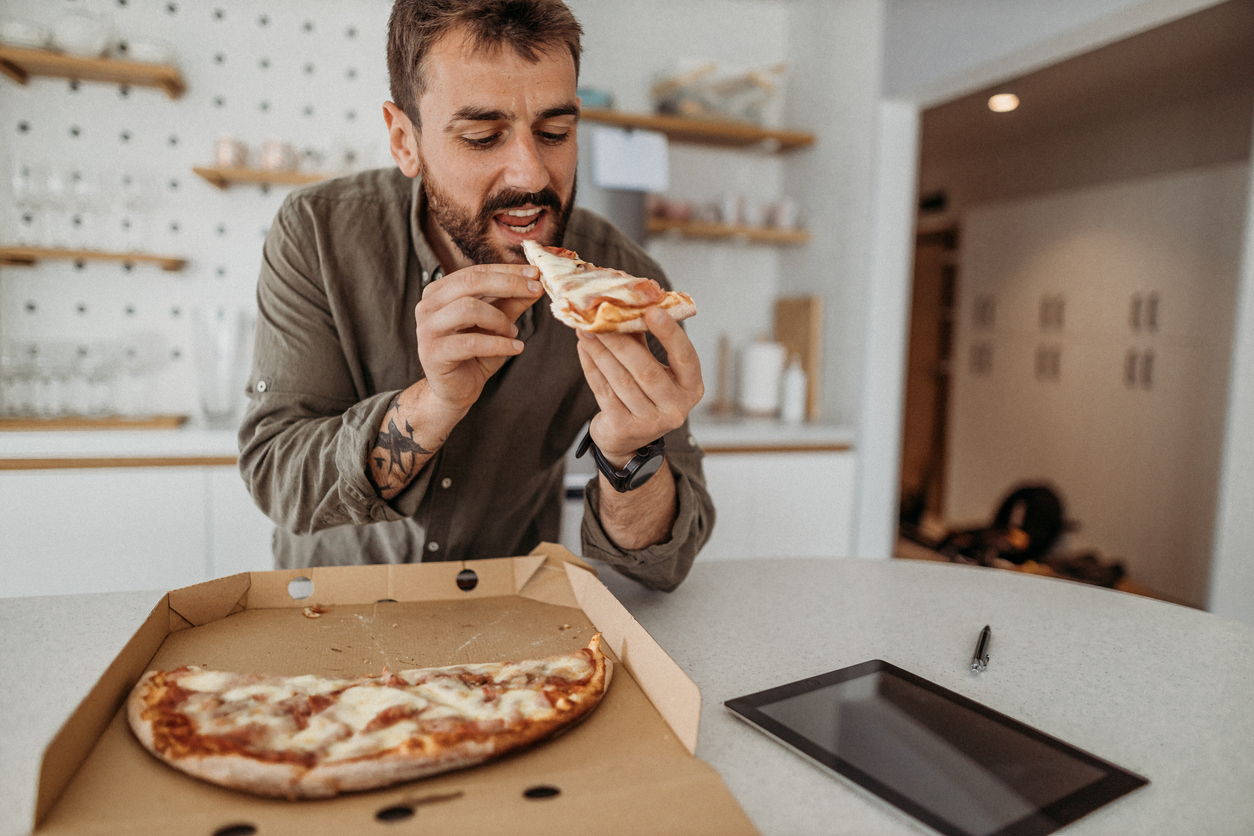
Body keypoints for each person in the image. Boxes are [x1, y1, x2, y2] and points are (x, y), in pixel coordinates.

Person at [237, 0, 714, 591]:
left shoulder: (624, 284)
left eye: (554, 133)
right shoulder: (318, 232)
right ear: (404, 139)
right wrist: (433, 404)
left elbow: (664, 565)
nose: (530, 176)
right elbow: (276, 474)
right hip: (333, 612)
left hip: (512, 624)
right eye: (483, 137)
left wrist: (630, 455)